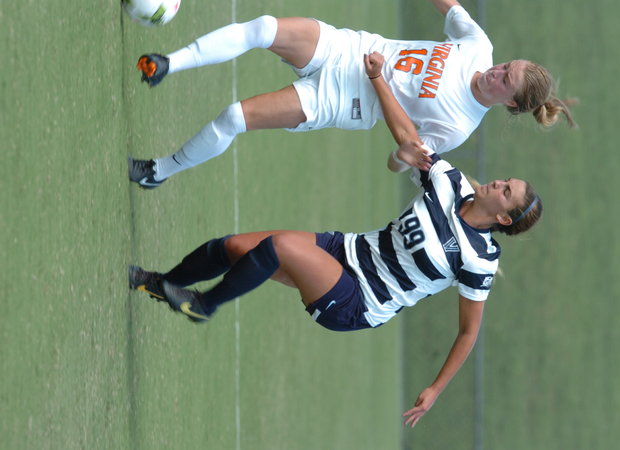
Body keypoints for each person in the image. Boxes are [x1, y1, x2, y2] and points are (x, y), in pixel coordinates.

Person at [128, 51, 543, 426]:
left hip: (360, 299)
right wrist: (378, 79)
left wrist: (435, 389)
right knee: (233, 248)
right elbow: (407, 138)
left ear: (504, 217)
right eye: (506, 180)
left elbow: (468, 333)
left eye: (506, 190)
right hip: (344, 249)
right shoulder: (450, 183)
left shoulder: (479, 259)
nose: (499, 182)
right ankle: (158, 282)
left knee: (277, 248)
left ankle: (204, 305)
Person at [128, 0, 575, 189]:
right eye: (506, 66)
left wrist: (403, 155)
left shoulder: (458, 126)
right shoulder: (478, 46)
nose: (496, 71)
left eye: (505, 80)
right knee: (263, 28)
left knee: (233, 117)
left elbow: (400, 159)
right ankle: (168, 63)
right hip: (351, 48)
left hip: (344, 101)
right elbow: (450, 7)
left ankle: (159, 171)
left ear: (510, 103)